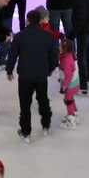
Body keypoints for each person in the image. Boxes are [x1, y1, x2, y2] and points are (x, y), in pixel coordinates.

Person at [6, 9, 58, 143]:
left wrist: (9, 70)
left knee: (25, 104)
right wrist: (50, 69)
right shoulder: (48, 37)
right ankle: (46, 124)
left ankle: (25, 131)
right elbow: (54, 57)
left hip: (25, 76)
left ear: (27, 20)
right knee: (43, 99)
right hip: (41, 75)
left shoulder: (19, 36)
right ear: (40, 21)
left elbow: (12, 55)